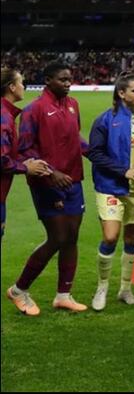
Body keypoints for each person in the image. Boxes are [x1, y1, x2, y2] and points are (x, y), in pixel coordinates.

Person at [7, 61, 91, 315]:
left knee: (72, 237)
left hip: (73, 180)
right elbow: (25, 150)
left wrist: (95, 153)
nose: (68, 84)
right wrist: (51, 173)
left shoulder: (73, 105)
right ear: (48, 80)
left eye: (70, 79)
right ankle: (19, 290)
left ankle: (63, 295)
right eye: (62, 80)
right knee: (58, 237)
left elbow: (75, 139)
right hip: (47, 183)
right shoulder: (34, 110)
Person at [86, 74, 134, 311]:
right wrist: (123, 171)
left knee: (132, 240)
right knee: (110, 237)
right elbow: (95, 154)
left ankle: (125, 289)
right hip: (111, 187)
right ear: (121, 93)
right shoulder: (105, 120)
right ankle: (102, 287)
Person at [3, 69, 51, 240]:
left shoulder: (7, 114)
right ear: (12, 87)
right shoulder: (4, 117)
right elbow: (2, 159)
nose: (24, 86)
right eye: (21, 83)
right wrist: (25, 167)